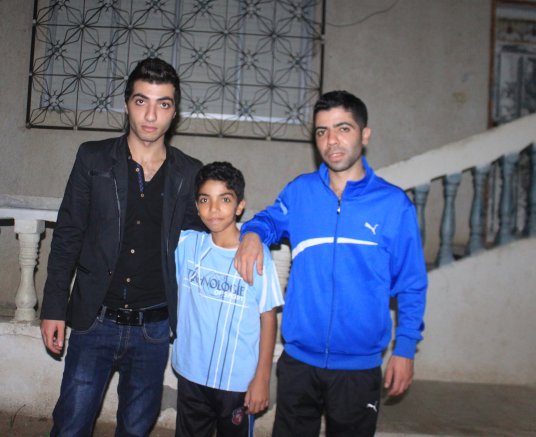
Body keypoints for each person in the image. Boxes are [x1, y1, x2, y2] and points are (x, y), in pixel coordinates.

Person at [234, 91, 428, 437]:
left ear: (364, 135)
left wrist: (405, 349)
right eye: (322, 131)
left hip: (359, 367)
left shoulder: (393, 205)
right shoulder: (301, 192)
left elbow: (411, 285)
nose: (331, 140)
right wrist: (251, 234)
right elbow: (268, 220)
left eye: (343, 128)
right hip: (299, 362)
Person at [39, 57, 204, 437]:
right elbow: (68, 234)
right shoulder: (93, 158)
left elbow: (205, 239)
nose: (151, 115)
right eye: (141, 101)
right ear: (127, 103)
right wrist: (53, 308)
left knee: (135, 430)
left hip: (154, 328)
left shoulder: (189, 172)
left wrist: (249, 237)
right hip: (94, 319)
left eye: (163, 103)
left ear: (174, 111)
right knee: (70, 427)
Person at [172, 162, 284, 437]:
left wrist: (262, 378)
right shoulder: (186, 246)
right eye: (204, 200)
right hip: (191, 374)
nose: (213, 209)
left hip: (238, 382)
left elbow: (268, 318)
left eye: (224, 199)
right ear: (196, 206)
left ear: (239, 206)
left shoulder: (256, 255)